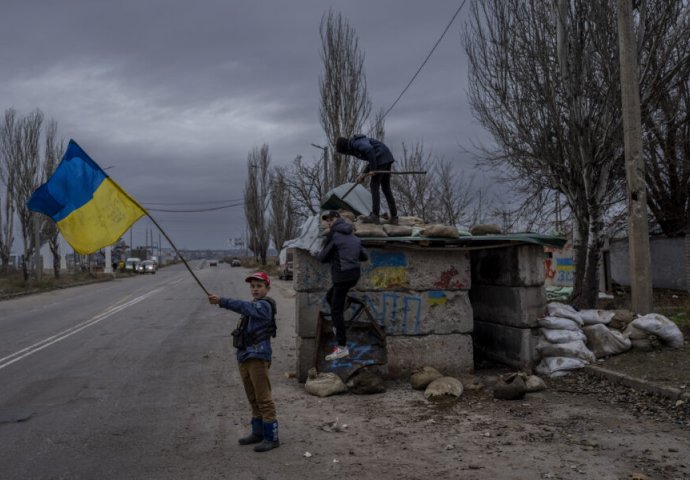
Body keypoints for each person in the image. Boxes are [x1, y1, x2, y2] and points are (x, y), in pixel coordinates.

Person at [208, 271, 280, 452]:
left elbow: (243, 307)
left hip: (258, 357)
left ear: (267, 288)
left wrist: (222, 301)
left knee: (263, 399)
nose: (255, 289)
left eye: (259, 286)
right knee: (253, 397)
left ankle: (272, 437)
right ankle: (258, 433)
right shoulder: (255, 304)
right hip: (246, 356)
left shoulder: (264, 306)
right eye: (253, 286)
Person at [317, 210, 369, 360]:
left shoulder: (334, 235)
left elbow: (323, 257)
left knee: (336, 309)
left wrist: (315, 253)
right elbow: (364, 256)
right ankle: (337, 325)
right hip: (354, 276)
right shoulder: (354, 236)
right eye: (327, 220)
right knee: (330, 296)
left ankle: (342, 347)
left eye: (331, 219)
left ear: (337, 219)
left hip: (342, 277)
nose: (329, 222)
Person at [335, 134, 398, 225]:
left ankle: (375, 216)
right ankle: (394, 217)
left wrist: (373, 169)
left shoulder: (355, 143)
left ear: (344, 148)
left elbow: (370, 150)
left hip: (381, 157)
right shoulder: (355, 144)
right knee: (386, 188)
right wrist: (363, 174)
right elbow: (372, 157)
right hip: (386, 157)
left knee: (374, 185)